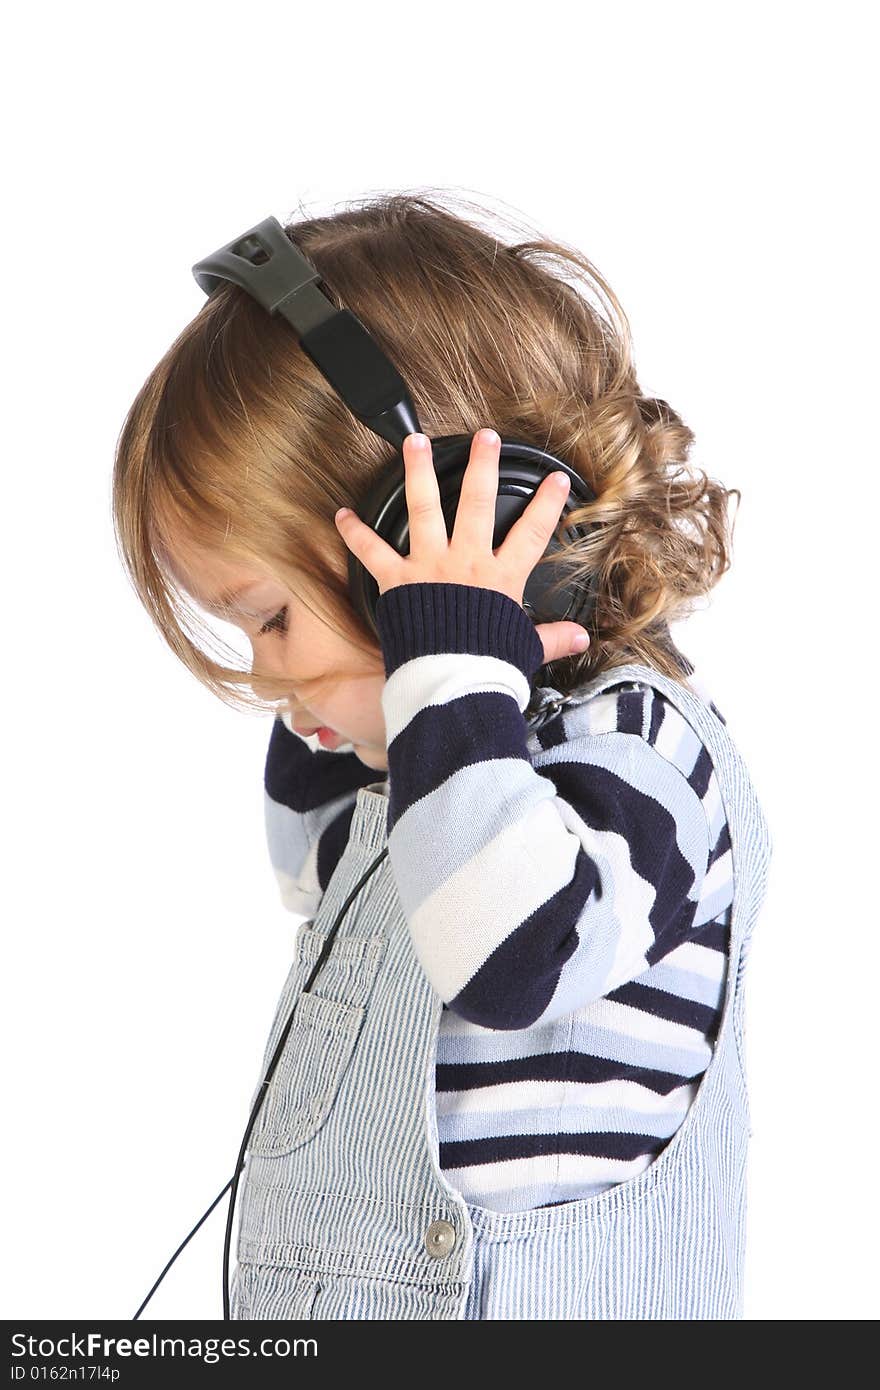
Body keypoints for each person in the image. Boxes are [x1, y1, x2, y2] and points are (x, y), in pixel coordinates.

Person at [112, 190, 772, 1319]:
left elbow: (514, 957)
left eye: (270, 619)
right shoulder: (418, 769)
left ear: (416, 549)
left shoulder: (644, 756)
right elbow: (318, 880)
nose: (267, 675)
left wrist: (445, 662)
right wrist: (392, 697)